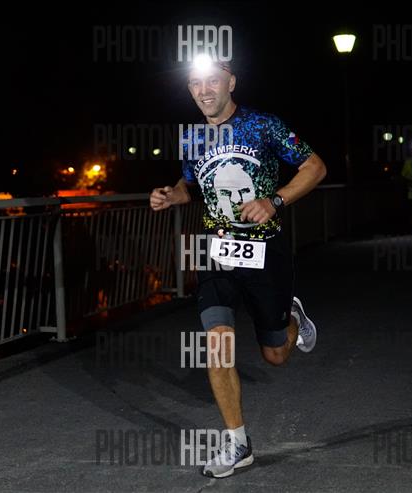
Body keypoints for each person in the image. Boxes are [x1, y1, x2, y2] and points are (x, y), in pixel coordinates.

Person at [149, 56, 326, 478]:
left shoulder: (263, 125)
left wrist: (275, 200)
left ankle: (291, 317)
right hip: (216, 253)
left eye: (213, 81)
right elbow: (191, 185)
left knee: (275, 355)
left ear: (231, 83)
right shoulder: (192, 137)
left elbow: (315, 166)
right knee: (217, 341)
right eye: (196, 83)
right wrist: (172, 195)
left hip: (266, 254)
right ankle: (237, 442)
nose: (204, 90)